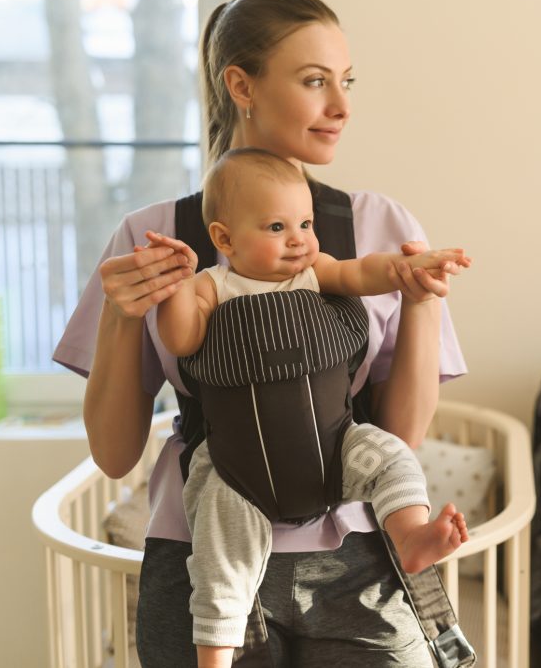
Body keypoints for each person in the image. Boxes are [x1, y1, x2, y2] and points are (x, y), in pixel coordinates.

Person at [53, 0, 468, 666]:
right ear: (241, 86)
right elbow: (113, 453)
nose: (343, 106)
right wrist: (122, 322)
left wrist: (421, 300)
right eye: (314, 81)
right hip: (204, 560)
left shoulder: (382, 231)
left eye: (346, 81)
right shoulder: (152, 239)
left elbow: (402, 439)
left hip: (361, 556)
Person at [139, 146, 470, 668]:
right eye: (276, 227)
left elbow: (365, 273)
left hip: (336, 452)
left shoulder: (317, 271)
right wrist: (176, 287)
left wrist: (409, 270)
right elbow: (181, 339)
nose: (298, 239)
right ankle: (214, 655)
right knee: (220, 553)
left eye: (305, 223)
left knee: (391, 457)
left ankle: (409, 536)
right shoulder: (213, 286)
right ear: (225, 239)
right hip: (237, 470)